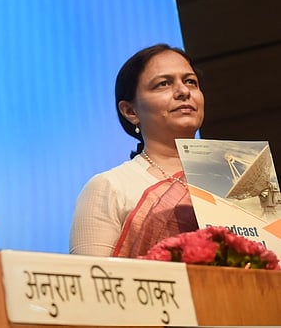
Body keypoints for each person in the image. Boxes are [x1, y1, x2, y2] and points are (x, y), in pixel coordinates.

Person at [69, 44, 202, 257]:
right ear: (130, 111)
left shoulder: (236, 179)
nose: (184, 91)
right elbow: (92, 282)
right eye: (163, 84)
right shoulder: (109, 187)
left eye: (190, 82)